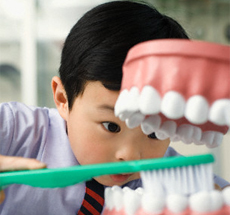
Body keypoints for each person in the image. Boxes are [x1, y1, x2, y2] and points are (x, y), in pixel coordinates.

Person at [0, 1, 229, 214]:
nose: (129, 155)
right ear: (62, 99)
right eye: (111, 126)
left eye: (154, 132)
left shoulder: (183, 183)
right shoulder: (14, 132)